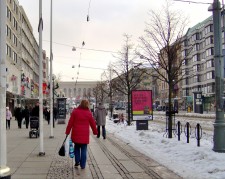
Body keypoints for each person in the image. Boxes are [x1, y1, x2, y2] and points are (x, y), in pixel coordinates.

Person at [65, 99, 98, 169]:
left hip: (76, 133)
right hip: (84, 135)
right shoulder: (88, 113)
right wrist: (95, 132)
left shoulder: (75, 112)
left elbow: (70, 123)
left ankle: (77, 161)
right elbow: (93, 123)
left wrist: (67, 132)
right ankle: (83, 165)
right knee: (84, 149)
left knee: (76, 147)